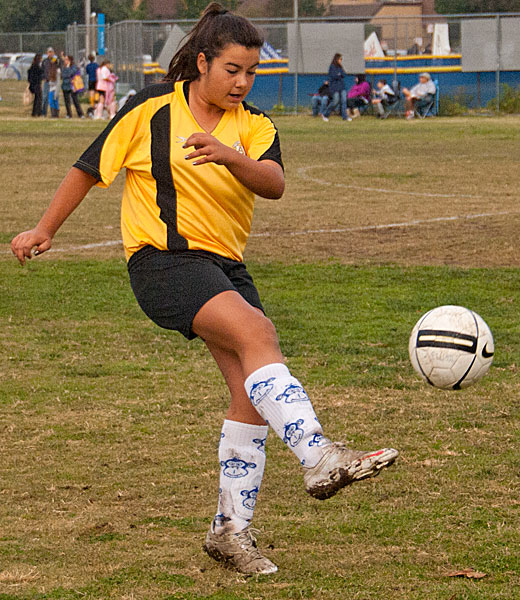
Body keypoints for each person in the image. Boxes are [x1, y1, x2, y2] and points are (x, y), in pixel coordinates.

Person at [11, 2, 398, 576]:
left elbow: (275, 183)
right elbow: (89, 168)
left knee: (249, 392)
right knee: (258, 332)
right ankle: (318, 455)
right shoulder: (150, 109)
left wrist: (229, 157)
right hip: (162, 260)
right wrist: (45, 228)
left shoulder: (255, 125)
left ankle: (229, 532)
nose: (242, 82)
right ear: (201, 63)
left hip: (225, 268)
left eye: (252, 72)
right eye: (232, 70)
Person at [321, 53, 349, 122]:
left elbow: (344, 74)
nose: (341, 61)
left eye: (341, 59)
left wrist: (339, 74)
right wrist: (339, 75)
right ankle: (325, 114)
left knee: (344, 101)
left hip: (342, 87)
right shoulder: (332, 67)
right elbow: (334, 76)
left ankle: (345, 116)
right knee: (335, 101)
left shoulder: (340, 67)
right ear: (336, 59)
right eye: (340, 59)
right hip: (334, 87)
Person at [41, 47, 59, 117]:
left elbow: (59, 65)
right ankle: (44, 113)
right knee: (45, 97)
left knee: (54, 97)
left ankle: (54, 113)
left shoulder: (55, 60)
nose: (50, 53)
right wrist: (44, 77)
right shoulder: (45, 61)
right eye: (49, 52)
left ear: (53, 53)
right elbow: (42, 70)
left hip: (54, 82)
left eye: (51, 52)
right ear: (47, 53)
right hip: (47, 81)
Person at [27, 53, 43, 117]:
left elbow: (29, 74)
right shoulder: (37, 67)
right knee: (38, 99)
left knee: (36, 99)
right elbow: (40, 74)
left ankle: (34, 112)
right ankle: (38, 112)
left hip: (32, 84)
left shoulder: (32, 66)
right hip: (36, 84)